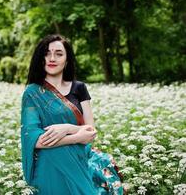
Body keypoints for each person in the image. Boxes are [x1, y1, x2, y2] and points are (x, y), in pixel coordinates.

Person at [20, 34, 125, 195]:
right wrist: (76, 136)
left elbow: (90, 131)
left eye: (59, 54)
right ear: (40, 58)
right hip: (50, 162)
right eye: (47, 53)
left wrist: (67, 128)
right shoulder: (32, 93)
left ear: (67, 60)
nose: (52, 58)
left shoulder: (79, 88)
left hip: (79, 157)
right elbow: (36, 140)